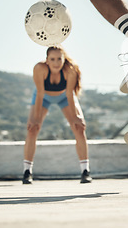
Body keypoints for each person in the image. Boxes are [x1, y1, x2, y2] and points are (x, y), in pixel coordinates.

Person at [23, 46, 92, 184]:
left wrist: (76, 118)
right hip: (43, 97)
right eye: (52, 59)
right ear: (47, 61)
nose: (56, 63)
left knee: (79, 127)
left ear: (63, 59)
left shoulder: (70, 70)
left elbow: (69, 95)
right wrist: (35, 119)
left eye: (59, 59)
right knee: (32, 129)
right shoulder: (39, 69)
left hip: (64, 97)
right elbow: (40, 94)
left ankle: (85, 171)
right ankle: (27, 172)